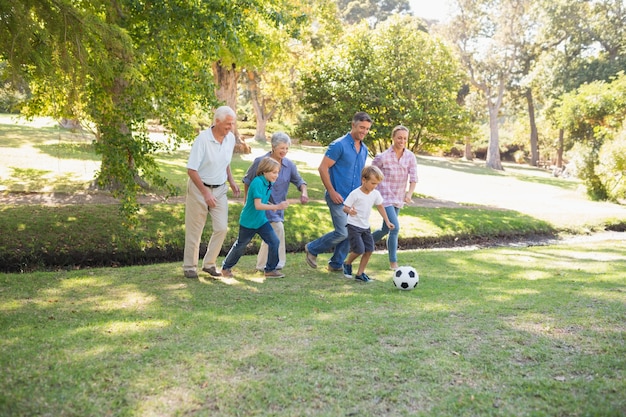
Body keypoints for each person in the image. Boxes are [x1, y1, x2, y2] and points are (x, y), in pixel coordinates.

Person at [304, 111, 372, 272]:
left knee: (352, 231)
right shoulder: (338, 145)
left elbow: (361, 174)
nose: (364, 131)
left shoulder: (364, 149)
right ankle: (312, 248)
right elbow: (323, 168)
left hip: (354, 199)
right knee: (342, 231)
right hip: (337, 197)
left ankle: (336, 264)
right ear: (353, 125)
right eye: (361, 127)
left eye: (367, 129)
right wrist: (331, 191)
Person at [182, 106, 241, 279]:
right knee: (195, 229)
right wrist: (206, 193)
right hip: (199, 188)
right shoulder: (203, 139)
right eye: (228, 124)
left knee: (222, 227)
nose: (231, 127)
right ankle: (189, 267)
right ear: (217, 121)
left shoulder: (230, 138)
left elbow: (226, 162)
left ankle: (209, 264)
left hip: (220, 188)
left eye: (232, 124)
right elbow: (191, 170)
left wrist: (231, 180)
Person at [242, 132, 308, 271]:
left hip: (276, 208)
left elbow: (299, 181)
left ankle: (266, 264)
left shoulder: (289, 165)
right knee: (276, 230)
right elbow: (247, 181)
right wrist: (246, 200)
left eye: (286, 148)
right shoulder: (260, 161)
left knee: (273, 233)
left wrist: (304, 192)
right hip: (261, 206)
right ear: (273, 146)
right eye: (281, 148)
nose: (284, 151)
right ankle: (273, 263)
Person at [221, 157, 289, 278]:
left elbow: (261, 200)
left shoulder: (269, 183)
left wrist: (271, 205)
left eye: (277, 172)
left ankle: (270, 270)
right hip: (249, 221)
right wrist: (278, 206)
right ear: (264, 171)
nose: (276, 175)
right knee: (241, 246)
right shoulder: (257, 182)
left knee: (274, 241)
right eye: (274, 172)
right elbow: (257, 205)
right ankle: (226, 268)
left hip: (261, 221)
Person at [371, 125, 418, 270]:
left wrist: (409, 194)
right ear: (393, 138)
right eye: (399, 138)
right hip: (384, 197)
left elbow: (414, 177)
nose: (402, 140)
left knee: (385, 229)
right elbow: (370, 173)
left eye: (405, 138)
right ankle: (393, 263)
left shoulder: (410, 156)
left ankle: (363, 243)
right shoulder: (382, 157)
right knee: (395, 228)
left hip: (398, 198)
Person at [342, 165, 395, 282]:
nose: (375, 186)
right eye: (372, 183)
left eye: (377, 184)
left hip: (365, 226)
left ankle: (360, 274)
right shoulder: (355, 194)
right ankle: (347, 263)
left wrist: (387, 221)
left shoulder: (375, 194)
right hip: (353, 226)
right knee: (359, 249)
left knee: (369, 249)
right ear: (363, 180)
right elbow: (345, 208)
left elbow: (380, 206)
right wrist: (350, 211)